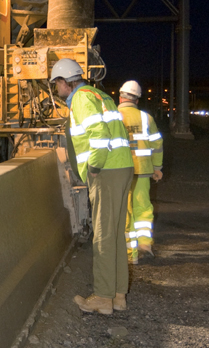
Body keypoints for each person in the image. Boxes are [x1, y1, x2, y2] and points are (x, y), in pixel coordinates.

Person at [50, 59, 134, 316]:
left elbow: (99, 134)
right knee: (116, 233)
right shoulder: (101, 95)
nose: (56, 90)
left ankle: (102, 297)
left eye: (56, 85)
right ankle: (118, 295)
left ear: (65, 83)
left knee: (103, 236)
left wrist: (94, 167)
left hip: (106, 171)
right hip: (122, 168)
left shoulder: (81, 99)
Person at [118, 80, 163, 262]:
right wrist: (157, 167)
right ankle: (145, 244)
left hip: (122, 170)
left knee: (125, 210)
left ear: (120, 97)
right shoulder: (147, 118)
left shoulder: (113, 116)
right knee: (143, 208)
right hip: (143, 170)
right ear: (137, 100)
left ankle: (131, 254)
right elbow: (157, 144)